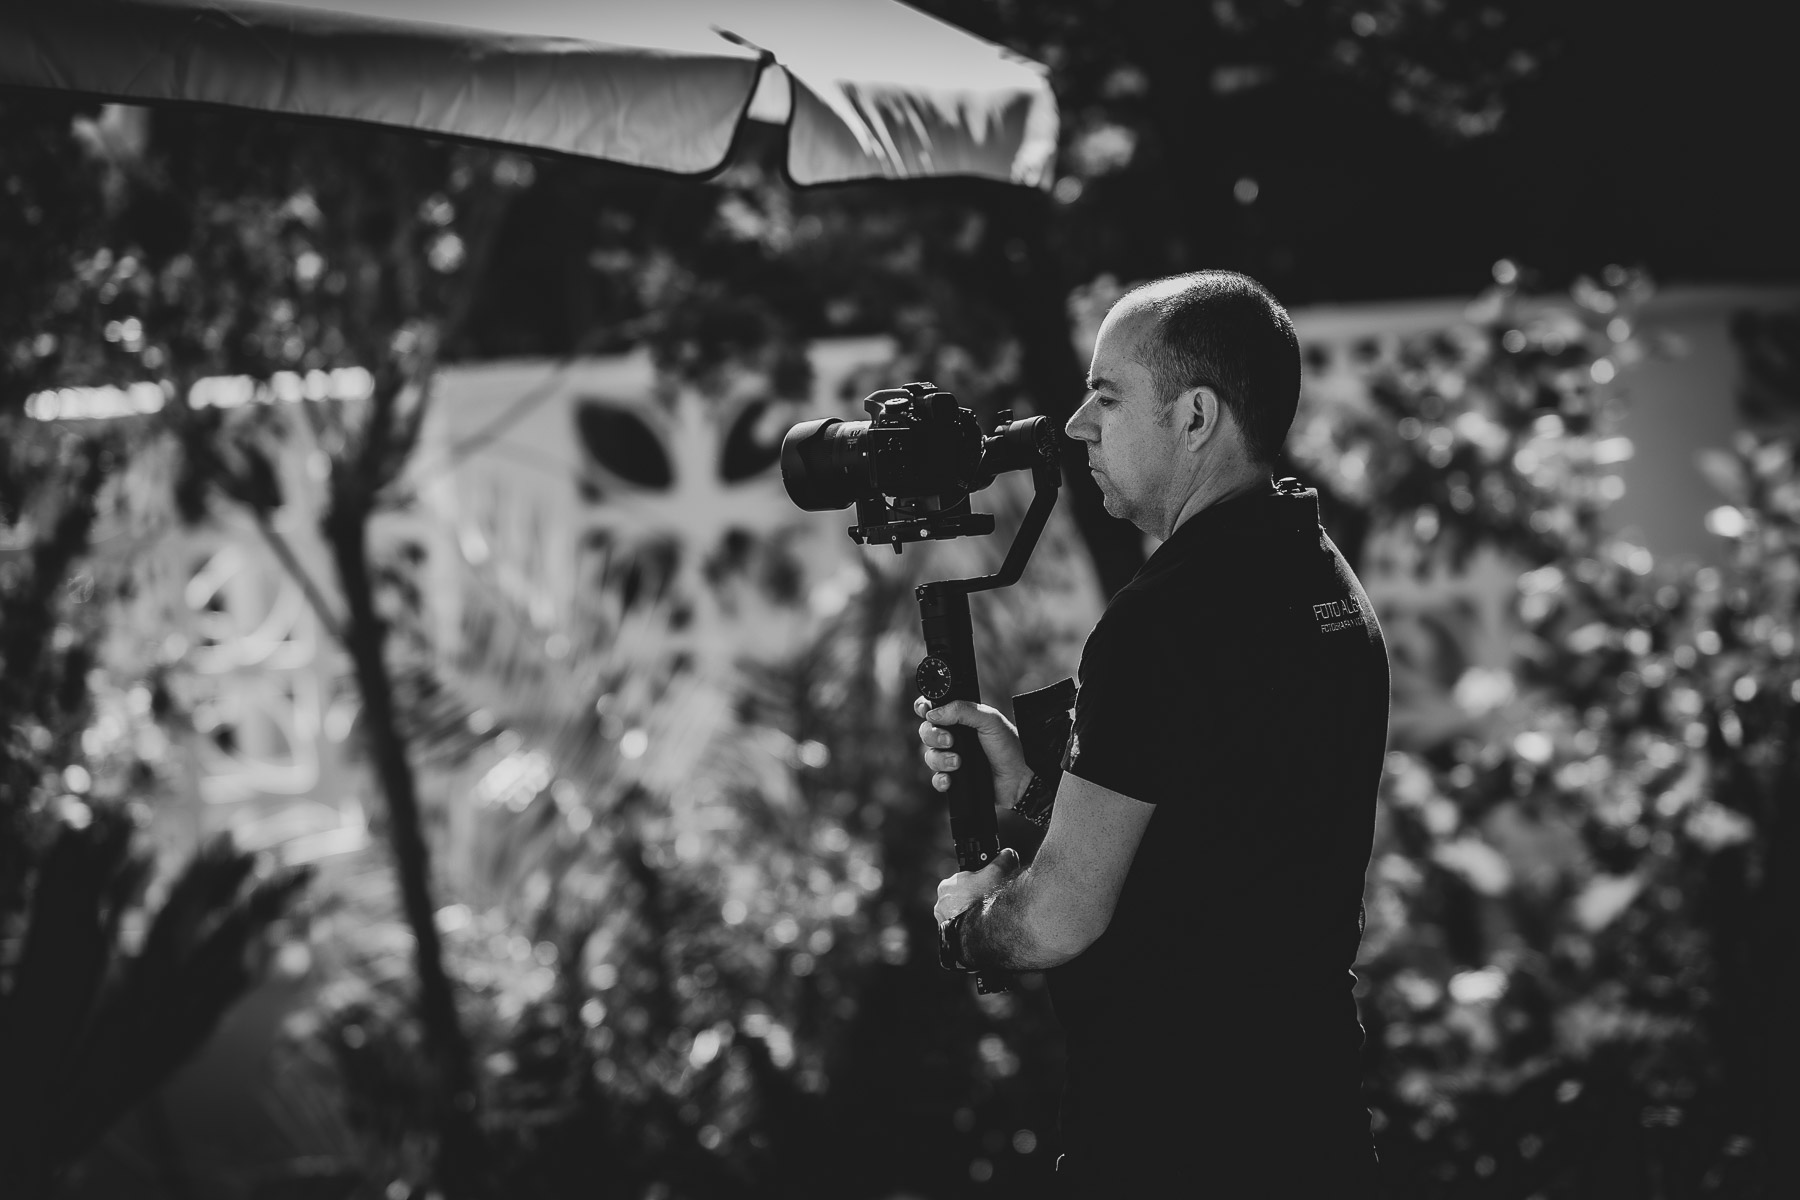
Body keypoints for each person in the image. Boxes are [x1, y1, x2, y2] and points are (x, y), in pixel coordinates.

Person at [916, 270, 1389, 1196]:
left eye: (1106, 395)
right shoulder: (1318, 573)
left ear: (1196, 416)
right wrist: (1029, 789)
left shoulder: (1165, 620)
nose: (1076, 424)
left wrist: (966, 928)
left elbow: (1059, 916)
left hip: (1175, 1136)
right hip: (1315, 1120)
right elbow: (1218, 832)